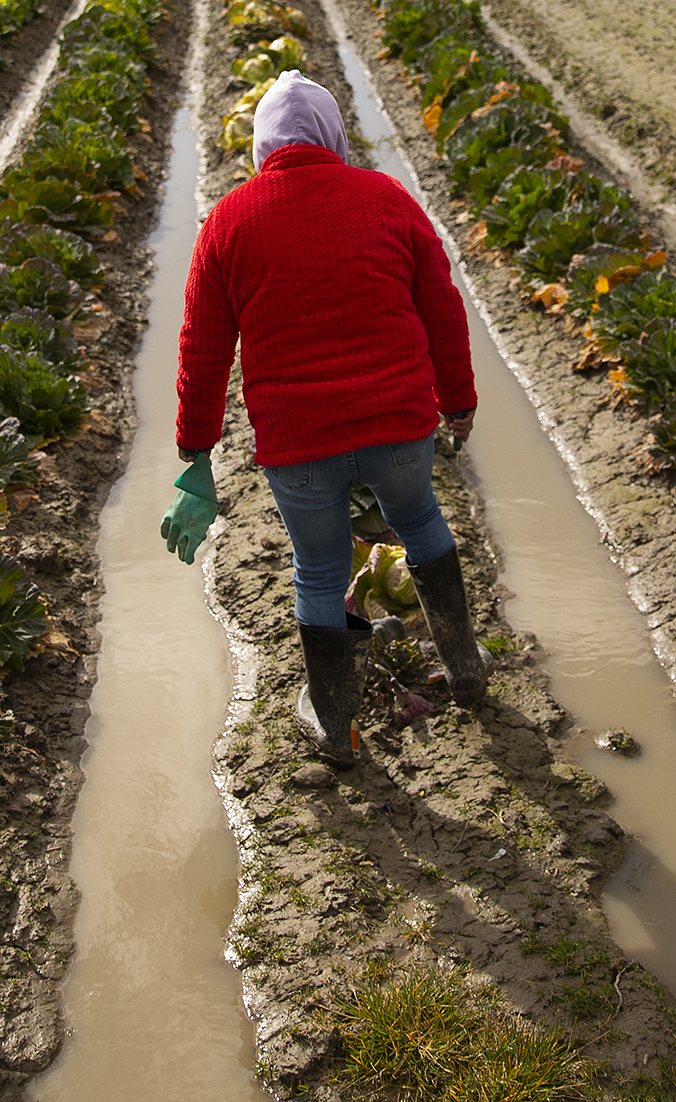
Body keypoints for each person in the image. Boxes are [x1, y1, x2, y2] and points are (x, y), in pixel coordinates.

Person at [166, 72, 481, 765]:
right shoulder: (386, 197)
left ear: (262, 148)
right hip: (400, 423)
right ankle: (465, 668)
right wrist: (458, 400)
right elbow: (442, 307)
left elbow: (203, 347)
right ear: (334, 137)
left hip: (299, 443)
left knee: (318, 569)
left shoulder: (228, 222)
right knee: (422, 519)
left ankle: (337, 729)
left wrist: (196, 453)